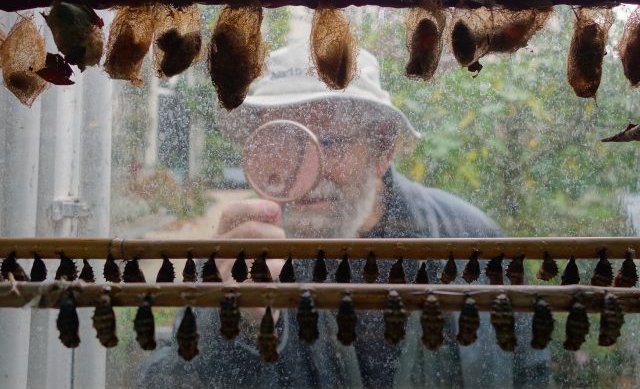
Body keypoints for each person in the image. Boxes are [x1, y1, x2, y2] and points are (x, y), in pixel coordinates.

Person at [138, 40, 550, 388]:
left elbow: (530, 373)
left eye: (330, 142)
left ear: (382, 149)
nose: (307, 172)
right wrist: (233, 325)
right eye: (282, 141)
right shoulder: (243, 254)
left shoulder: (470, 243)